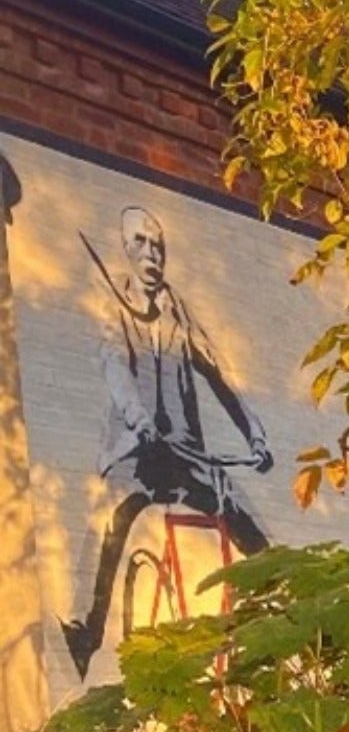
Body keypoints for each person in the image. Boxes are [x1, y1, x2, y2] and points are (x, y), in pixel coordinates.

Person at [62, 205, 273, 672]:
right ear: (125, 248)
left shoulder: (178, 313)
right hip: (136, 452)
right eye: (140, 243)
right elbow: (114, 367)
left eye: (158, 245)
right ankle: (85, 630)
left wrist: (255, 435)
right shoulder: (113, 307)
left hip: (183, 452)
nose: (151, 253)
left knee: (239, 512)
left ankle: (285, 598)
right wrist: (139, 420)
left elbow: (219, 374)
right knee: (109, 517)